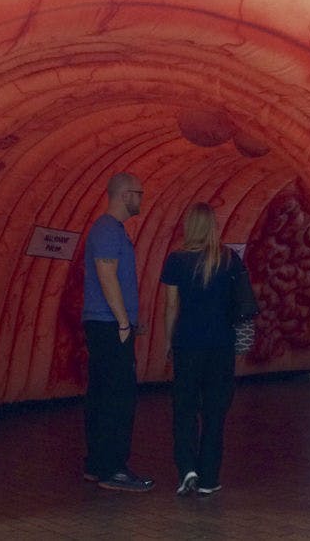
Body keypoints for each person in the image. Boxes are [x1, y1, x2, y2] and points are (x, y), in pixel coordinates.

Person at [161, 202, 244, 496]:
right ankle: (209, 477)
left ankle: (186, 468)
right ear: (213, 226)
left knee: (184, 410)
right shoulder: (229, 259)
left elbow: (172, 306)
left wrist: (168, 341)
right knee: (214, 412)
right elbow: (239, 303)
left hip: (187, 343)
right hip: (220, 345)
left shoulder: (175, 261)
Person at [81, 172, 155, 492]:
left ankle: (97, 464)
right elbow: (106, 274)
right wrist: (123, 321)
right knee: (118, 397)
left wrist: (128, 322)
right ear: (125, 196)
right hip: (109, 325)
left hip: (105, 324)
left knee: (102, 394)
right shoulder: (108, 230)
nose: (141, 199)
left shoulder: (109, 230)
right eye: (139, 193)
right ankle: (114, 469)